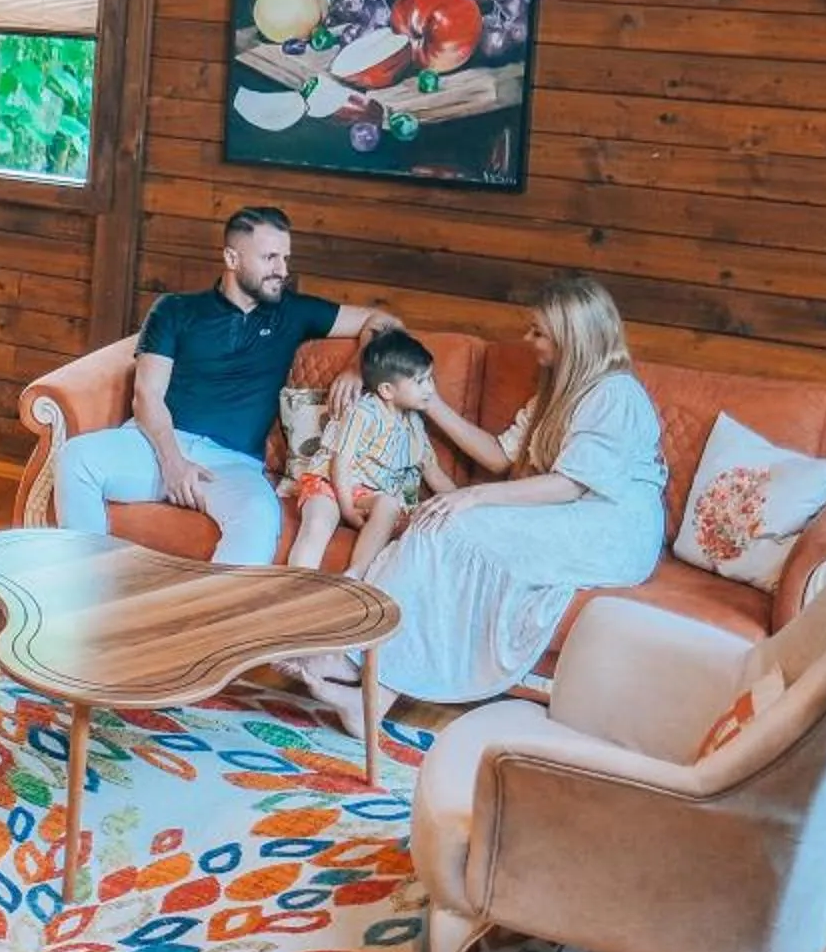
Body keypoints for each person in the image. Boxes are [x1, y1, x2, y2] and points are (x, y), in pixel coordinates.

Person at [298, 274, 669, 731]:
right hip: (572, 512)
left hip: (613, 528)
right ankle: (373, 693)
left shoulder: (614, 392)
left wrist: (473, 498)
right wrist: (428, 402)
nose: (528, 340)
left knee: (449, 524)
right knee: (436, 528)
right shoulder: (557, 392)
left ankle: (353, 656)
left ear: (573, 340)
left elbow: (569, 485)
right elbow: (498, 454)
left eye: (539, 333)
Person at [52, 206, 403, 565]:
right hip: (155, 445)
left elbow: (385, 321)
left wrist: (358, 368)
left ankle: (212, 620)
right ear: (232, 258)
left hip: (232, 464)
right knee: (76, 458)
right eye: (270, 258)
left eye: (285, 258)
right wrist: (173, 463)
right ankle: (84, 586)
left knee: (258, 518)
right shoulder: (174, 310)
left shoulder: (294, 312)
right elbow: (147, 396)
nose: (282, 270)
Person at [284, 327, 452, 573]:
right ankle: (296, 587)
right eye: (420, 381)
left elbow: (432, 471)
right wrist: (347, 509)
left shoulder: (414, 424)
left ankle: (355, 576)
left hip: (372, 496)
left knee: (389, 504)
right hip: (331, 484)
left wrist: (467, 503)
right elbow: (340, 463)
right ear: (386, 390)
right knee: (317, 524)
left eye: (430, 379)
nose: (430, 389)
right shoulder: (363, 412)